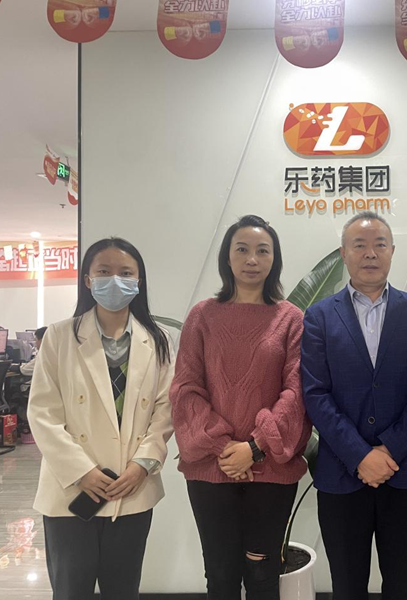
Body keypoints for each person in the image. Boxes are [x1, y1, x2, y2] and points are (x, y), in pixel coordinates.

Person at [301, 211, 407, 600]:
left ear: (392, 251)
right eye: (359, 245)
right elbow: (315, 393)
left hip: (404, 473)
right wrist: (360, 455)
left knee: (403, 584)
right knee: (347, 586)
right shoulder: (319, 316)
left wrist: (389, 449)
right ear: (343, 254)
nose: (370, 253)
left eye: (379, 244)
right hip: (341, 475)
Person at [170, 215, 311, 600]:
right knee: (220, 574)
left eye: (263, 250)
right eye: (242, 249)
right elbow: (185, 388)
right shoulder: (202, 315)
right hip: (210, 469)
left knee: (263, 575)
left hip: (271, 471)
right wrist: (223, 447)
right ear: (227, 257)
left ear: (274, 259)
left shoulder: (290, 319)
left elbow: (297, 392)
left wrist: (254, 447)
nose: (252, 259)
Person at [28, 237, 174, 600]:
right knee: (71, 589)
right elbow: (42, 413)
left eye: (126, 273)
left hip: (131, 487)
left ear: (139, 281)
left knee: (123, 589)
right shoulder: (59, 336)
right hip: (72, 490)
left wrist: (142, 465)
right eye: (104, 272)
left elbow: (166, 411)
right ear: (88, 279)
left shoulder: (159, 340)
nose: (115, 280)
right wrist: (82, 471)